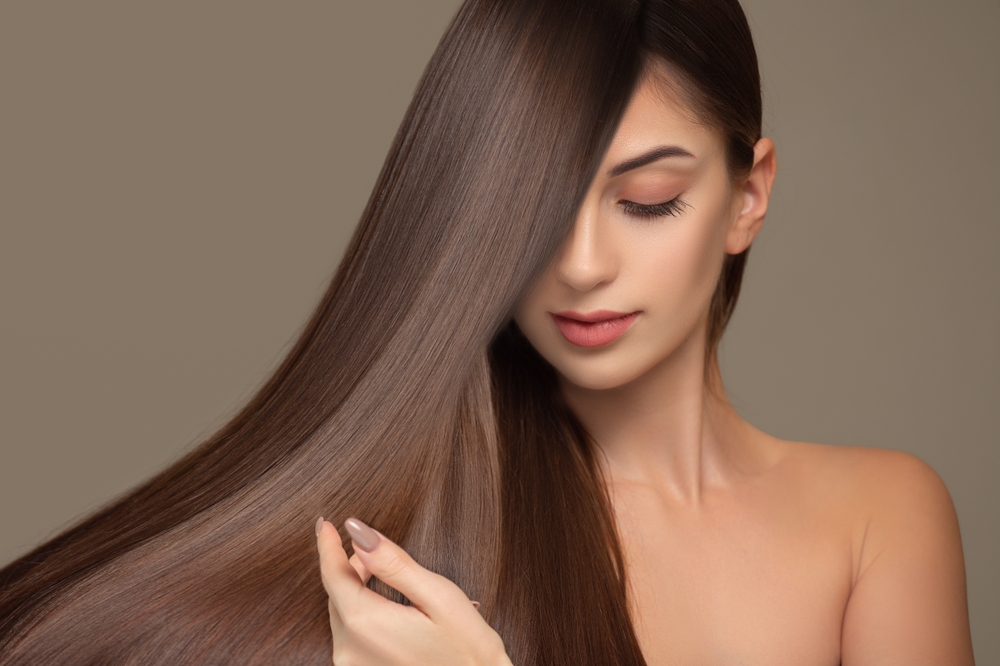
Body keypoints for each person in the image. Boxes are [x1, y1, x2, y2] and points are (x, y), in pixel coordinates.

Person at [0, 0, 975, 664]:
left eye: (647, 200)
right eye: (530, 210)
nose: (580, 262)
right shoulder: (400, 554)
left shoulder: (879, 519)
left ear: (746, 196)